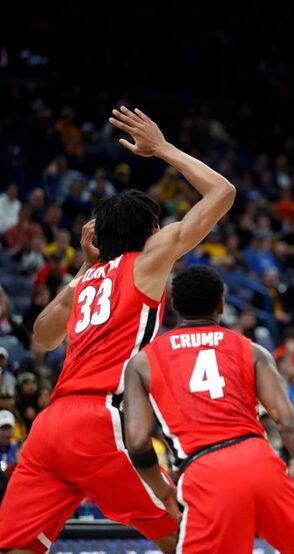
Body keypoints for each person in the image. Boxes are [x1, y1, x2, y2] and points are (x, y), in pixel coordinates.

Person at [0, 107, 236, 554]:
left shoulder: (85, 279)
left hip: (49, 428)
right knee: (191, 537)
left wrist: (84, 267)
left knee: (17, 547)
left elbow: (42, 336)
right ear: (148, 231)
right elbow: (222, 192)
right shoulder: (148, 259)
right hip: (101, 421)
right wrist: (162, 147)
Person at [123, 265, 294, 553]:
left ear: (174, 305)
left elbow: (136, 442)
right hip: (261, 463)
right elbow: (289, 423)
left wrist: (164, 492)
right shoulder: (252, 350)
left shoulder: (143, 362)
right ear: (222, 304)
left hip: (205, 470)